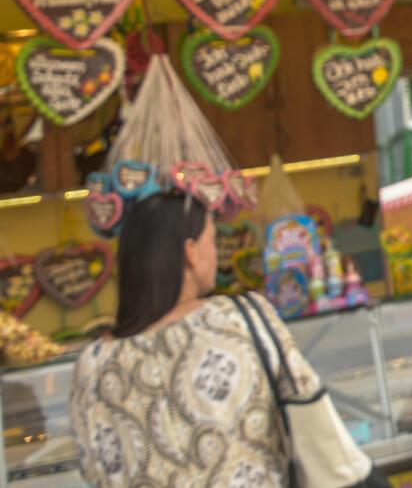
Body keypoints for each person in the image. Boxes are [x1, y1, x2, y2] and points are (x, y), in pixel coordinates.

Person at [69, 191, 356, 484]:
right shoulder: (240, 318)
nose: (216, 254)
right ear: (191, 252)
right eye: (212, 240)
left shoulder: (92, 366)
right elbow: (306, 399)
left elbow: (93, 470)